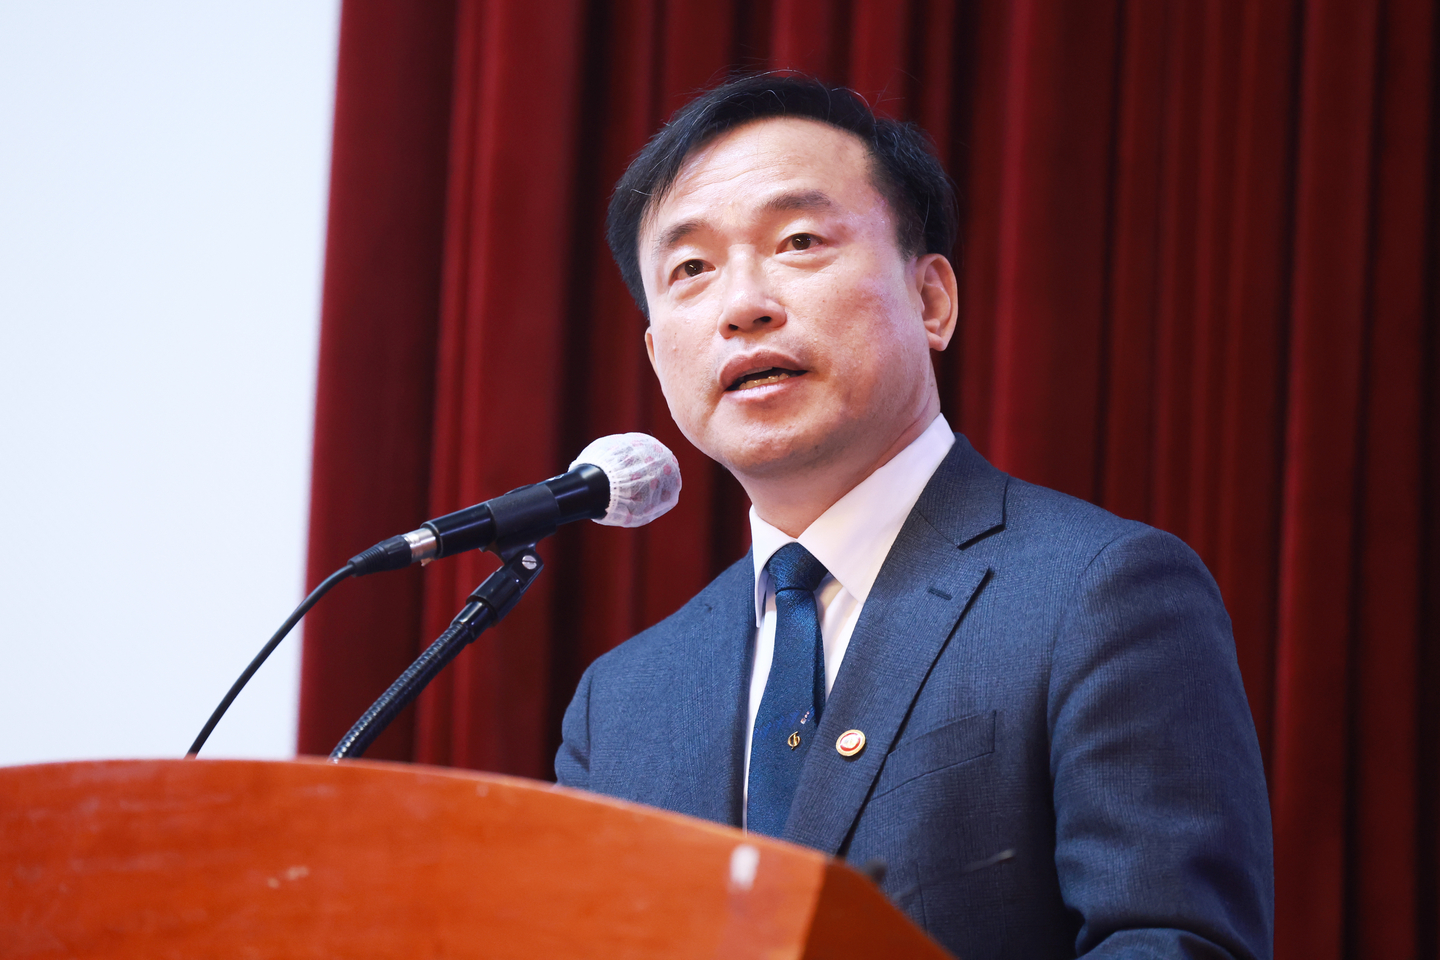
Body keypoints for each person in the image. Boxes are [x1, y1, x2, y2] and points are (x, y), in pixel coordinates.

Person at [555, 73, 1273, 960]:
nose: (743, 305)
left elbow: (1172, 943)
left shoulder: (1100, 595)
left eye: (799, 240)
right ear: (661, 359)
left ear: (931, 300)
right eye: (691, 269)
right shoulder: (621, 703)